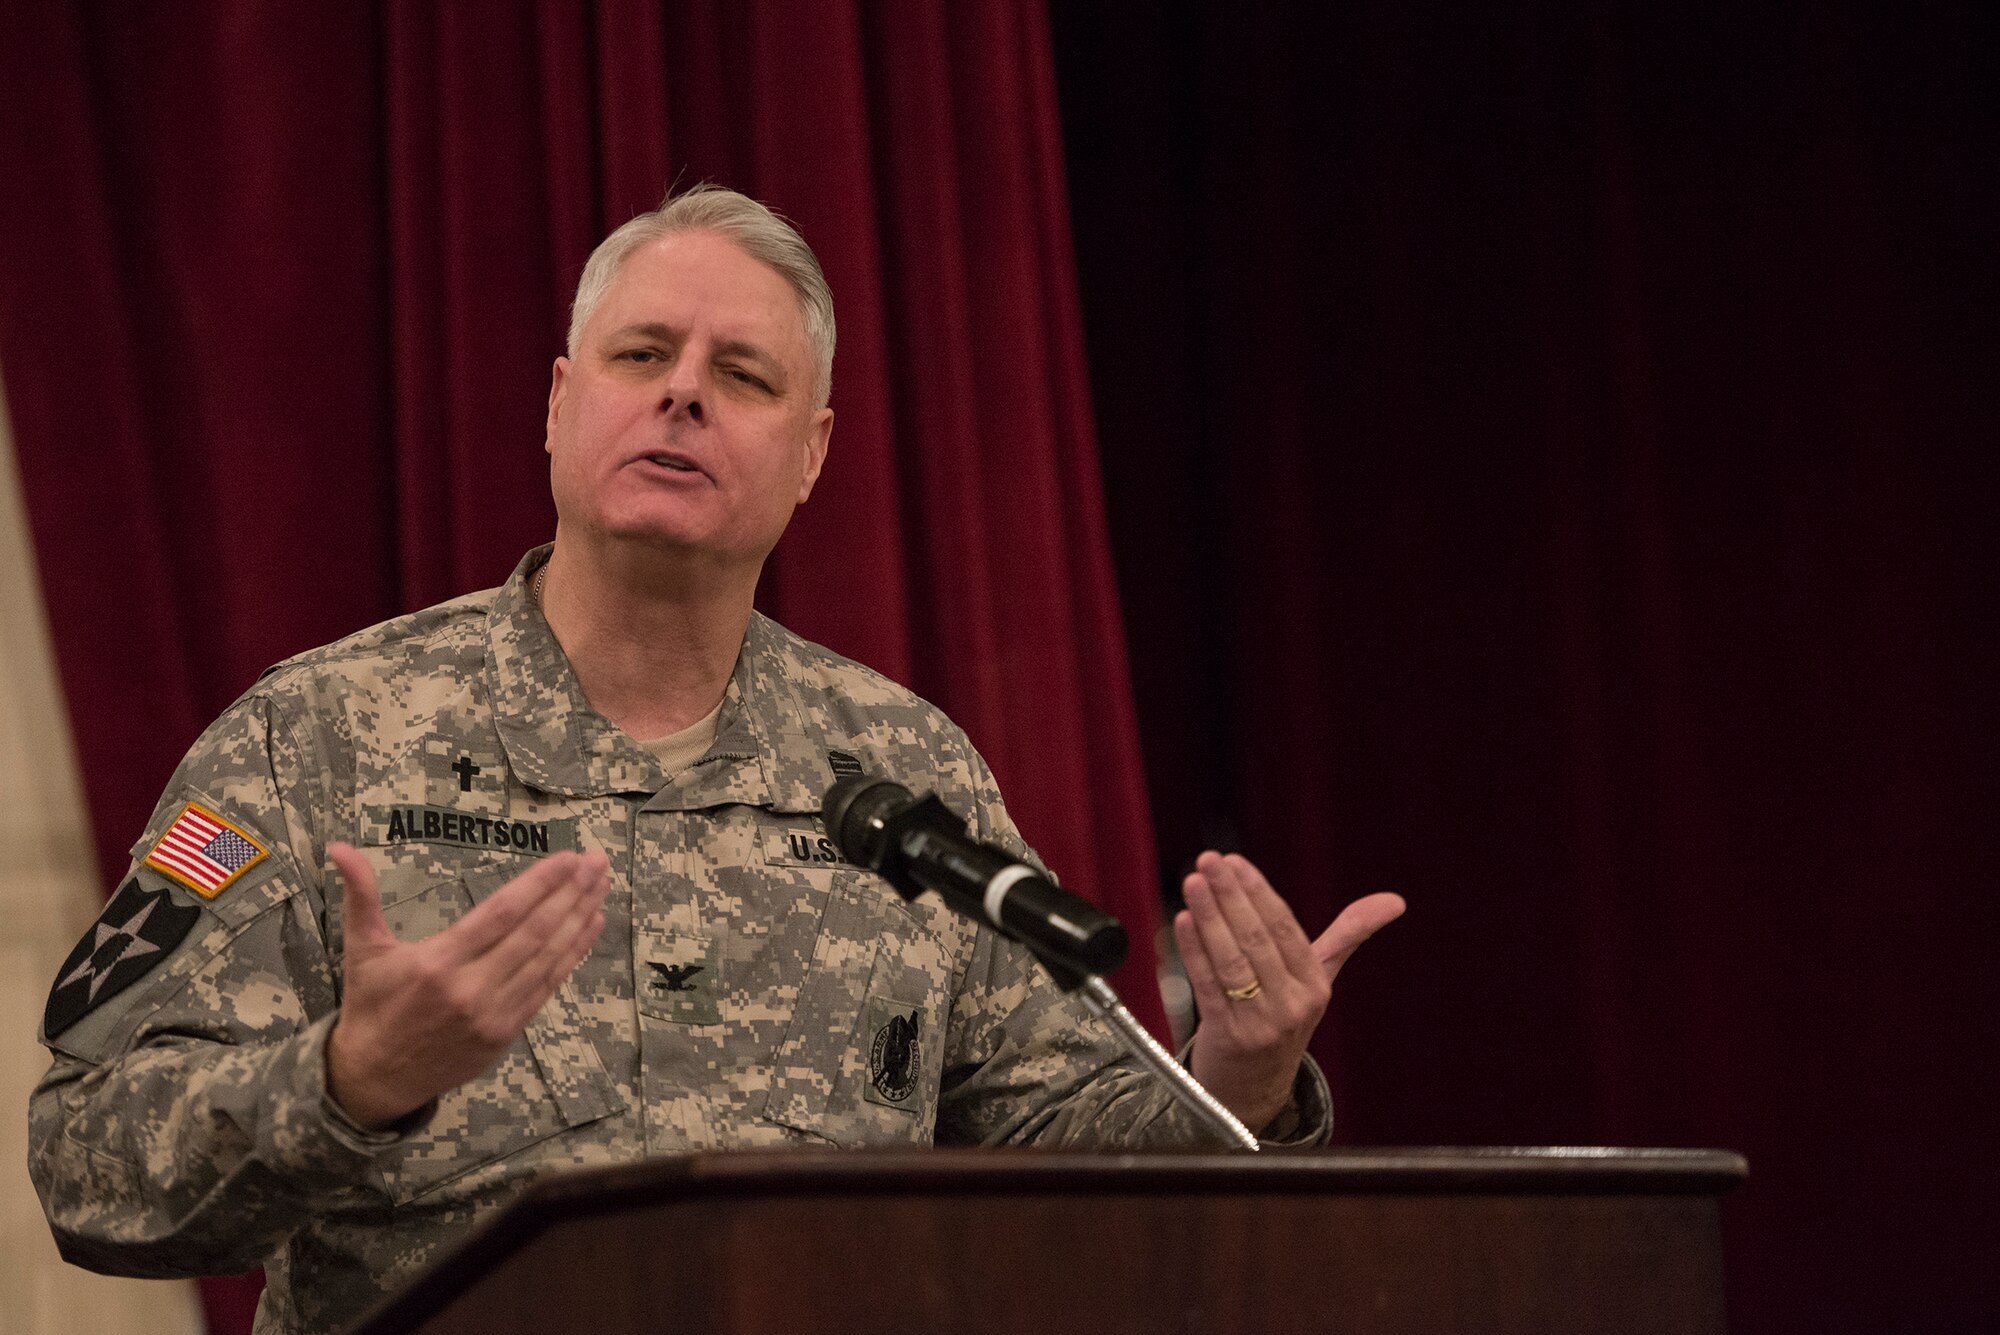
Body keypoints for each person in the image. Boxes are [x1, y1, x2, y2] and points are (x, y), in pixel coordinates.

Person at [30, 185, 1404, 1335]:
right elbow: (88, 1160)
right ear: (561, 407)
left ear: (809, 456)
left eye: (741, 377)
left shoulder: (900, 770)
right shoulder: (313, 736)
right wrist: (349, 1080)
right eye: (642, 358)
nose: (684, 394)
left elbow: (1061, 1169)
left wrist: (1233, 1076)